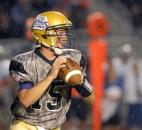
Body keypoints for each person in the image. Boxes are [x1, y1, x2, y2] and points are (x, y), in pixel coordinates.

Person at [9, 11, 95, 130]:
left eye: (65, 32)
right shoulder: (25, 61)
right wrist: (51, 75)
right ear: (43, 34)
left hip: (54, 127)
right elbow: (25, 101)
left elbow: (92, 99)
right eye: (59, 32)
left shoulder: (74, 58)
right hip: (26, 125)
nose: (64, 36)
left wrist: (80, 82)